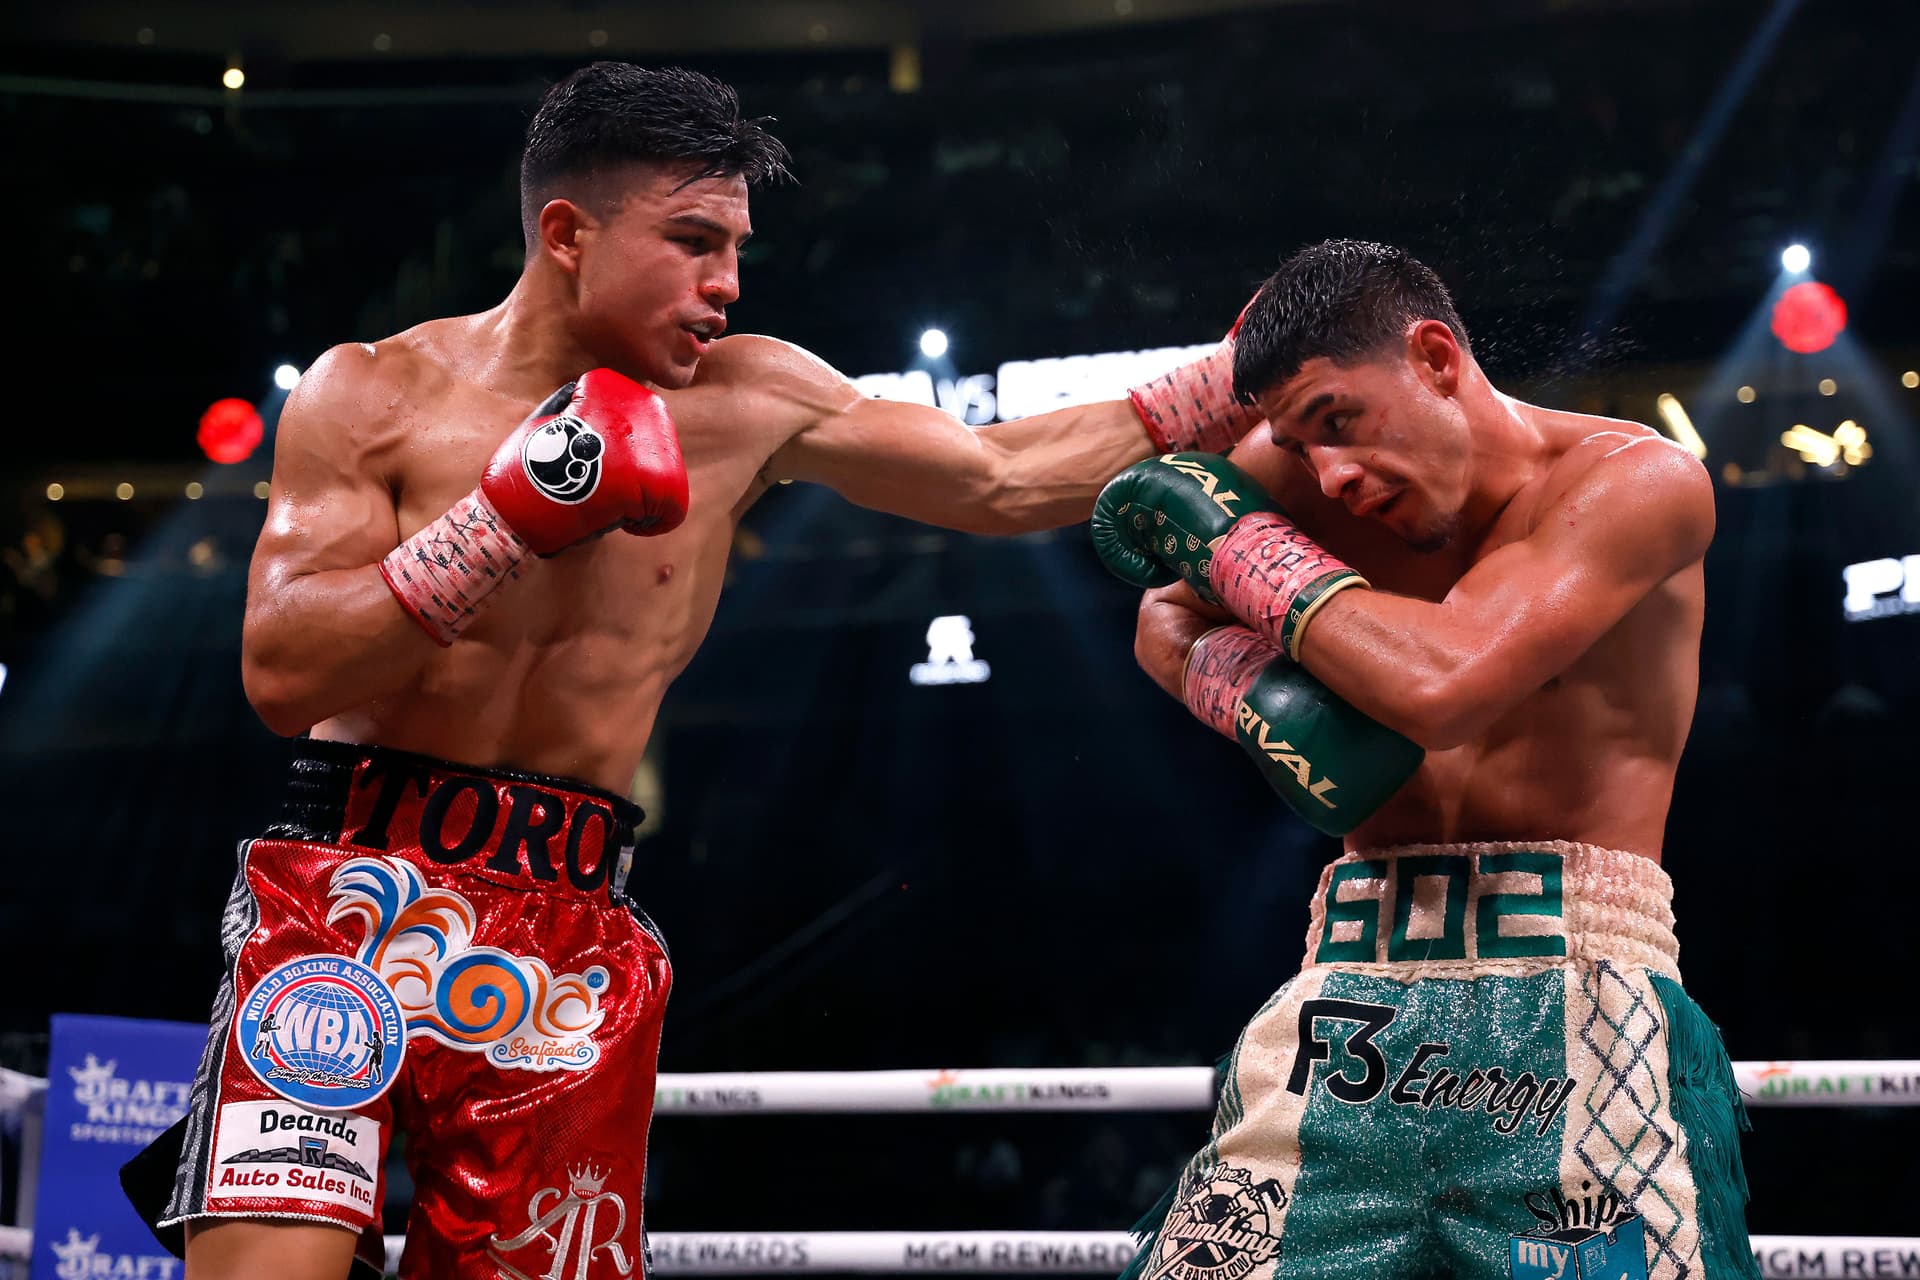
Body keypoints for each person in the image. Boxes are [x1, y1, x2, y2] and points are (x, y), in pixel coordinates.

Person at [120, 62, 1267, 1280]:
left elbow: (997, 474)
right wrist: (504, 521)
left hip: (565, 934)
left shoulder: (754, 399)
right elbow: (282, 671)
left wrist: (1231, 381)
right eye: (692, 240)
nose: (726, 282)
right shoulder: (374, 394)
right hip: (342, 898)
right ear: (567, 232)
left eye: (735, 246)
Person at [1093, 240, 1757, 1280]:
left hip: (1576, 988)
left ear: (1438, 357)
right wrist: (1255, 691)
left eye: (1338, 423)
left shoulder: (1634, 482)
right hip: (1347, 990)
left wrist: (1243, 554)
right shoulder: (1310, 479)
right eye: (1300, 446)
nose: (1330, 474)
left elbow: (1446, 684)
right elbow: (1161, 615)